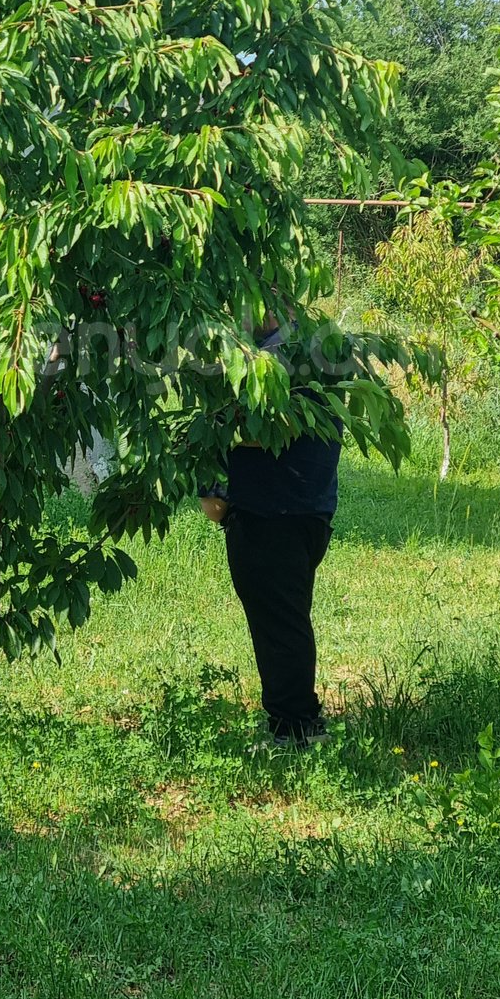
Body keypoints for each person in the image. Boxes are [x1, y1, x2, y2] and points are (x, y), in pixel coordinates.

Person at [202, 316, 341, 747]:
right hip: (300, 512)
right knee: (282, 620)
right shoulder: (313, 349)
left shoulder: (280, 358)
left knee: (280, 624)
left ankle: (295, 726)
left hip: (273, 514)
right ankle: (294, 720)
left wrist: (213, 482)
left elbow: (258, 429)